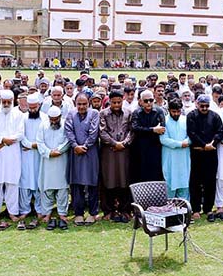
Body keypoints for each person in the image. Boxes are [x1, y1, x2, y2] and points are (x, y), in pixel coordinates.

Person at [0, 90, 25, 231]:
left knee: (12, 183)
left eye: (9, 101)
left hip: (12, 153)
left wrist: (3, 142)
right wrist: (2, 140)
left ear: (13, 101)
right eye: (4, 101)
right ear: (1, 101)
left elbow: (20, 134)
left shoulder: (19, 115)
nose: (7, 104)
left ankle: (12, 212)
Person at [186, 95, 223, 221]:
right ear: (197, 104)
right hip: (197, 153)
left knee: (210, 182)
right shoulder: (191, 116)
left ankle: (208, 209)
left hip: (211, 153)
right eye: (201, 106)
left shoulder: (215, 116)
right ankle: (196, 209)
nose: (204, 108)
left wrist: (211, 144)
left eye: (206, 106)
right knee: (195, 182)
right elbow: (192, 133)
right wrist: (203, 145)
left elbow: (220, 132)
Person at [98, 90, 134, 223]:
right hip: (109, 152)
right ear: (110, 102)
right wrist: (114, 143)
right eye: (114, 102)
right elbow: (102, 132)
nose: (117, 105)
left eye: (119, 102)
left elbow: (132, 131)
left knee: (124, 179)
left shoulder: (129, 113)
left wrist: (124, 143)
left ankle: (125, 210)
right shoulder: (103, 114)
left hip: (124, 151)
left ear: (123, 100)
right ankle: (109, 210)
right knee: (109, 180)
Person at [65, 93, 100, 226]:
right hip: (75, 153)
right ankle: (78, 213)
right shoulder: (70, 114)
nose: (82, 106)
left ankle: (92, 212)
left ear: (89, 103)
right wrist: (75, 146)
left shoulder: (94, 113)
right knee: (76, 183)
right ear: (75, 103)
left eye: (84, 104)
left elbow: (94, 132)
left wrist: (84, 146)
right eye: (79, 104)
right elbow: (68, 130)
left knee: (92, 182)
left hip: (90, 153)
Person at [37, 106, 70, 230]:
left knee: (62, 189)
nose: (54, 122)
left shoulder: (65, 124)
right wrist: (49, 152)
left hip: (62, 160)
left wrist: (59, 151)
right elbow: (39, 142)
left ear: (60, 117)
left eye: (56, 119)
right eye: (52, 119)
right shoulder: (43, 125)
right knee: (47, 188)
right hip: (47, 161)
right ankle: (47, 213)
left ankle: (62, 214)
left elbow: (67, 140)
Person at [18, 93, 46, 229]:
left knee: (39, 180)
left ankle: (40, 210)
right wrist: (30, 145)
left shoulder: (45, 118)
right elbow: (21, 136)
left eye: (35, 107)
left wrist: (35, 146)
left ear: (39, 105)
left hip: (40, 155)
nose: (33, 110)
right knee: (25, 180)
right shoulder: (22, 118)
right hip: (26, 155)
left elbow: (46, 136)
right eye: (31, 107)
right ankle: (24, 210)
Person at [130, 90, 166, 183]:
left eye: (151, 100)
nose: (149, 103)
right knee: (141, 174)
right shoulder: (136, 112)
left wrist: (146, 130)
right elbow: (135, 128)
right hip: (140, 148)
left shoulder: (159, 111)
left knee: (155, 174)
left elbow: (162, 128)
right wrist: (153, 130)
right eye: (146, 101)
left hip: (155, 147)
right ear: (140, 101)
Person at [160, 99, 191, 201]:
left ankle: (184, 211)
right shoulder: (164, 121)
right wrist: (180, 144)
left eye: (178, 111)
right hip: (170, 157)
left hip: (184, 157)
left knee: (184, 180)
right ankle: (169, 211)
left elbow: (191, 135)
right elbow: (163, 139)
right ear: (169, 110)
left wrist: (187, 141)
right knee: (170, 181)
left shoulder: (185, 120)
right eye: (174, 112)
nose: (176, 114)